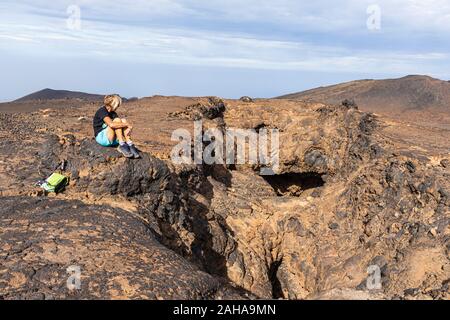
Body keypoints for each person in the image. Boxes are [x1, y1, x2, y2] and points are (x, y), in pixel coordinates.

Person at [93, 94, 140, 158]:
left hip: (113, 139)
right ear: (113, 104)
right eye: (117, 105)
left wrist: (128, 129)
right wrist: (127, 125)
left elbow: (120, 125)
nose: (118, 107)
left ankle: (130, 144)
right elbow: (111, 124)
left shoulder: (113, 113)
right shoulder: (102, 111)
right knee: (117, 120)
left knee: (123, 120)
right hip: (102, 138)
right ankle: (122, 145)